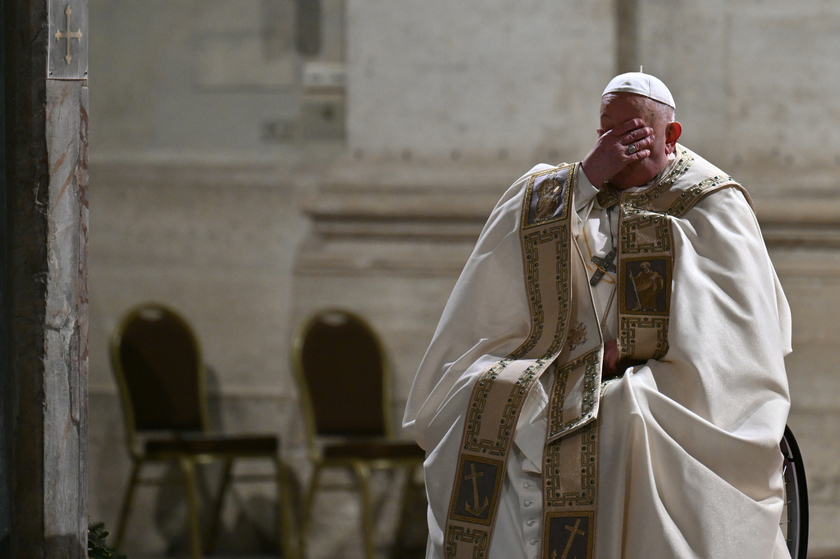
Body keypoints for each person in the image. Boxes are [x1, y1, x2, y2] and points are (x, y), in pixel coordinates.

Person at [403, 72, 792, 559]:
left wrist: (630, 347)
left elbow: (732, 326)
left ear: (671, 136)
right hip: (557, 363)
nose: (617, 146)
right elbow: (507, 270)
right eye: (607, 131)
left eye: (633, 133)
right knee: (477, 401)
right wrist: (587, 176)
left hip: (665, 376)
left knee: (629, 416)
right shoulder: (570, 187)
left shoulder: (711, 202)